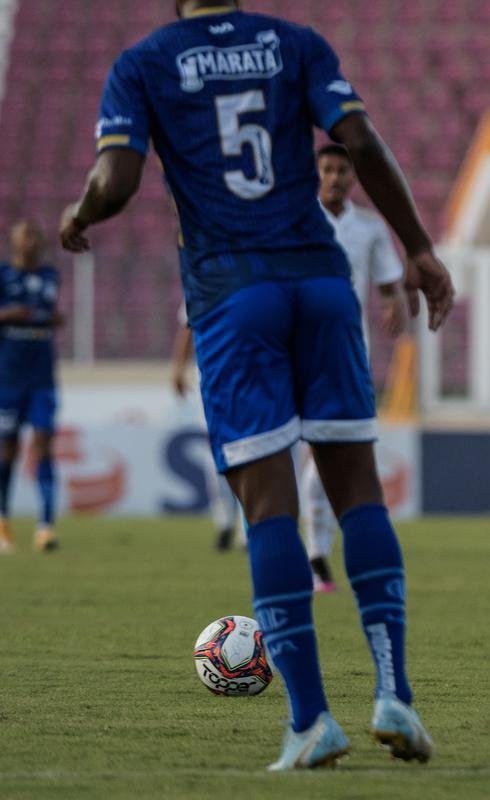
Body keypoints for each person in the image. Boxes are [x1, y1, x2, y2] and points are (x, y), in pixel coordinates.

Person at [59, 0, 453, 770]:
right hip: (321, 283)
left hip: (234, 294)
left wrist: (81, 211)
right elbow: (360, 139)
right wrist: (420, 248)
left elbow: (117, 176)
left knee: (270, 504)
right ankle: (395, 694)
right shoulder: (296, 43)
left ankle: (310, 722)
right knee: (358, 493)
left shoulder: (144, 62)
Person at [302, 142, 407, 593]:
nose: (335, 177)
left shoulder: (368, 226)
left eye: (343, 170)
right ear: (317, 172)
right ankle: (312, 552)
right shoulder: (299, 219)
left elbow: (388, 283)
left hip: (347, 356)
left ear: (352, 176)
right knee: (305, 458)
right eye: (327, 169)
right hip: (298, 351)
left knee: (336, 456)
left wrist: (392, 302)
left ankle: (318, 554)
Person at [0, 219, 61, 554]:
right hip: (7, 378)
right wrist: (9, 315)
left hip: (42, 378)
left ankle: (46, 527)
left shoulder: (51, 276)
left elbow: (49, 314)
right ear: (13, 241)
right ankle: (3, 522)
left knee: (44, 445)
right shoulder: (2, 275)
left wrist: (54, 320)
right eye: (24, 236)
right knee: (7, 449)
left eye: (35, 235)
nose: (31, 242)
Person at [169, 306, 243, 552]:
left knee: (250, 454)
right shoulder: (202, 275)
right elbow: (188, 327)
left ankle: (247, 528)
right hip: (213, 382)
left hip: (247, 378)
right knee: (218, 458)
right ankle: (224, 522)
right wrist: (179, 368)